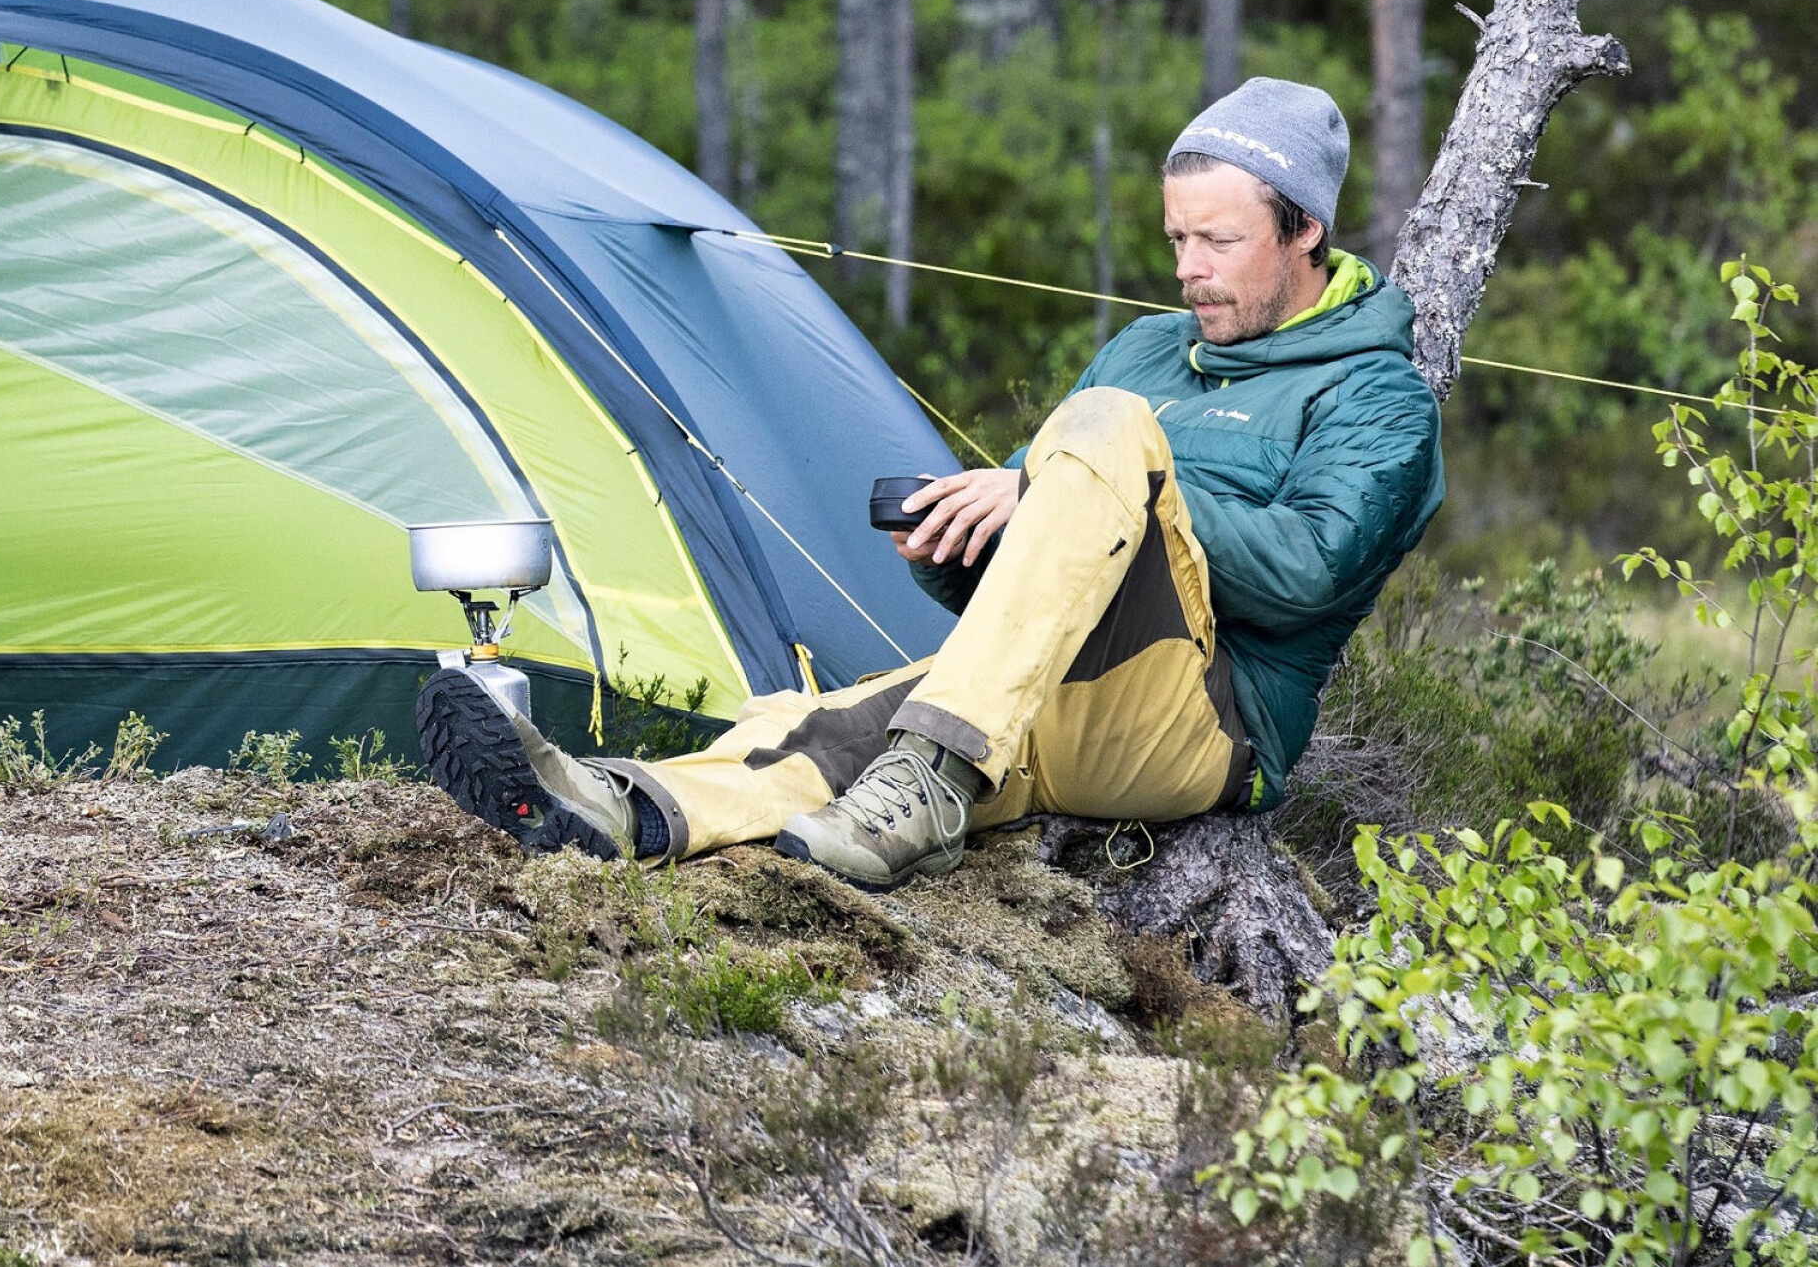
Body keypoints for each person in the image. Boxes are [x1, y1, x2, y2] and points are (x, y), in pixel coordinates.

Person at [416, 77, 1444, 888]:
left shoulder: (1375, 393)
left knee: (1101, 428)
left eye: (1218, 240)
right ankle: (612, 808)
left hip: (1200, 727)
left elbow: (1309, 573)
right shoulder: (1144, 348)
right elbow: (1037, 558)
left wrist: (1073, 482)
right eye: (1177, 237)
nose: (1187, 268)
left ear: (1305, 229)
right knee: (811, 726)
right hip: (1036, 700)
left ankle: (928, 781)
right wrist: (958, 544)